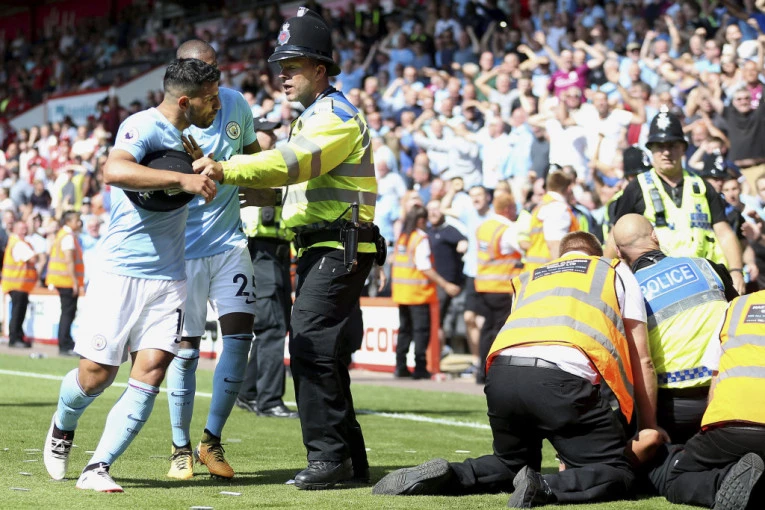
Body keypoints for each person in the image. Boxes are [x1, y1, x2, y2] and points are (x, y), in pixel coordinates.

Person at [193, 8, 381, 490]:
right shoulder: (316, 116)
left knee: (310, 345)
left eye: (293, 66)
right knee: (325, 351)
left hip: (338, 246)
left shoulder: (334, 117)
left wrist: (225, 168)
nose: (283, 75)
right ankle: (348, 458)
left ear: (320, 69)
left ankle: (329, 457)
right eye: (281, 66)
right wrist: (259, 195)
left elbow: (292, 165)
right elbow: (299, 185)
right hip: (329, 246)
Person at [373, 231, 664, 508]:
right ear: (595, 255)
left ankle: (452, 474)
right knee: (616, 470)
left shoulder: (530, 277)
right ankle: (545, 485)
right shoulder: (612, 270)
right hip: (561, 379)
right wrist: (648, 425)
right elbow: (642, 358)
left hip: (502, 375)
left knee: (510, 463)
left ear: (561, 256)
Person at [42, 58, 219, 493]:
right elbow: (114, 171)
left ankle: (98, 467)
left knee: (153, 369)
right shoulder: (141, 125)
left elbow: (188, 191)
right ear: (185, 101)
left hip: (170, 277)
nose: (216, 106)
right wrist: (182, 179)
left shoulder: (189, 141)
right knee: (96, 375)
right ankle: (63, 423)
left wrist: (207, 175)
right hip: (121, 271)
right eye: (210, 99)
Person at [164, 40, 260, 482]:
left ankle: (211, 441)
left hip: (230, 243)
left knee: (240, 338)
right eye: (203, 72)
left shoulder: (236, 103)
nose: (214, 81)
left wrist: (248, 177)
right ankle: (179, 447)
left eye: (216, 70)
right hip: (184, 251)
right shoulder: (167, 122)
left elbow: (256, 160)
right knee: (185, 352)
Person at [612, 214, 737, 444]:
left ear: (619, 252)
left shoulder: (627, 293)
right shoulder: (706, 266)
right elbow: (740, 320)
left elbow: (639, 361)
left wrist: (648, 426)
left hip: (673, 406)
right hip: (726, 389)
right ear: (655, 236)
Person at [640, 290, 765, 510]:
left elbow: (716, 376)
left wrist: (707, 429)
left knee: (675, 476)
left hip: (729, 425)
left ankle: (723, 481)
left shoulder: (736, 307)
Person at [611, 106, 746, 295]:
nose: (666, 152)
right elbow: (615, 238)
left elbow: (724, 233)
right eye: (660, 146)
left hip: (708, 281)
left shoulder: (702, 186)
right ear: (651, 150)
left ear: (683, 148)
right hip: (661, 287)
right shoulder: (636, 188)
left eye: (672, 146)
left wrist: (736, 271)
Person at [235, 116, 299, 419]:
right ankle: (269, 400)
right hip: (260, 250)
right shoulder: (251, 164)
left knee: (272, 326)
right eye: (265, 133)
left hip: (276, 253)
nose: (272, 138)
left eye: (273, 133)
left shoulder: (266, 164)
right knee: (272, 326)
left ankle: (248, 393)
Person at [391, 204, 460, 379]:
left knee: (405, 330)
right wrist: (445, 284)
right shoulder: (420, 238)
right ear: (421, 220)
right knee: (421, 331)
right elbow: (425, 267)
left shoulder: (403, 237)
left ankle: (400, 366)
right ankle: (420, 368)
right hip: (418, 293)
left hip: (402, 292)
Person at [473, 191, 523, 384]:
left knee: (487, 330)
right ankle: (494, 372)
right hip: (502, 287)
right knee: (500, 331)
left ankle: (482, 372)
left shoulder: (484, 227)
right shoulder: (508, 229)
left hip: (484, 285)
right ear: (508, 209)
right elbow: (523, 248)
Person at [522, 169, 579, 272]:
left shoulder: (543, 205)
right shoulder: (557, 208)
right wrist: (562, 274)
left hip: (537, 271)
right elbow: (554, 244)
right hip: (548, 273)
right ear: (568, 188)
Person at [45, 211, 83, 356]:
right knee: (68, 313)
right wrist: (74, 281)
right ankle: (65, 344)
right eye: (76, 220)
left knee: (68, 312)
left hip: (62, 279)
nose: (79, 223)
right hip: (66, 280)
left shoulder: (63, 234)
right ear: (68, 222)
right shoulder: (67, 237)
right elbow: (69, 260)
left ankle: (66, 341)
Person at [1, 220, 38, 348]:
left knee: (19, 312)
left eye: (25, 228)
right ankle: (14, 338)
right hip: (17, 284)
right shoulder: (18, 243)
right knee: (17, 313)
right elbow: (32, 258)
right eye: (22, 228)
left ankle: (19, 336)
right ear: (15, 229)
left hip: (20, 284)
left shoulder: (17, 242)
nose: (24, 231)